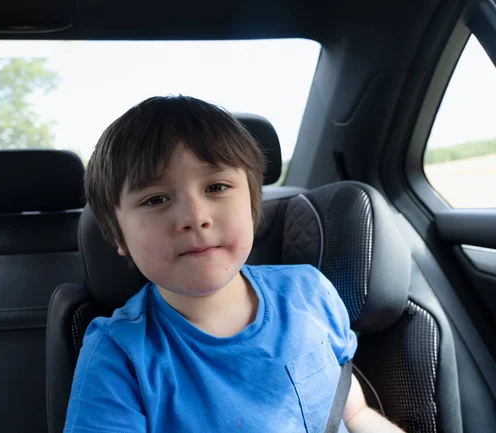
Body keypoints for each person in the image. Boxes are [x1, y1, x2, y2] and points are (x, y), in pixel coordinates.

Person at [64, 95, 404, 433]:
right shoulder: (118, 356)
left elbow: (354, 413)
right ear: (119, 237)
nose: (195, 217)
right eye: (155, 199)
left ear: (252, 207)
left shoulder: (310, 292)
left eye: (216, 186)